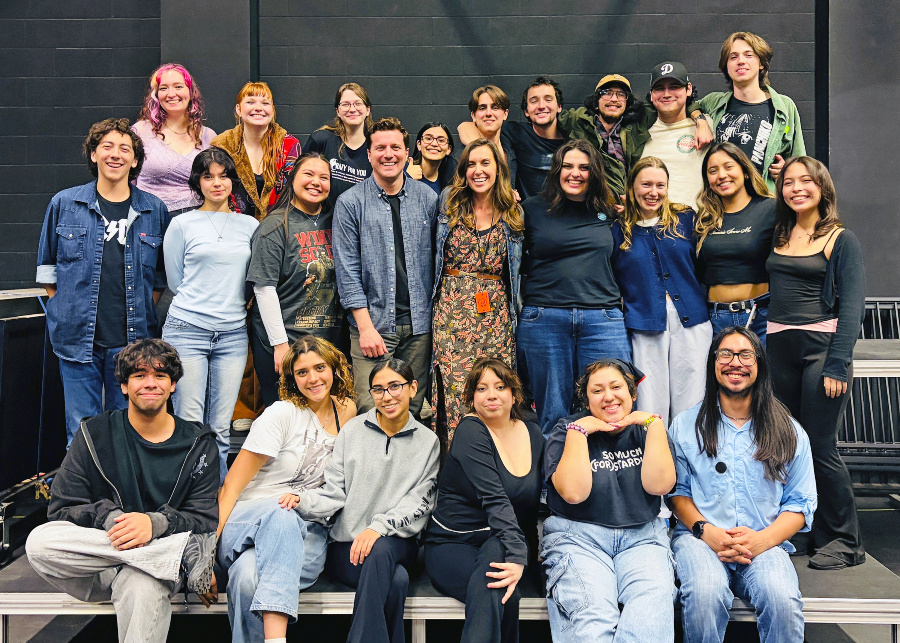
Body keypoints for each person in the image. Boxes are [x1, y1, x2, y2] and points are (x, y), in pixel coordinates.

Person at [25, 339, 219, 643]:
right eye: (140, 376)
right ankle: (170, 555)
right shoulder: (95, 433)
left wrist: (155, 524)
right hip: (98, 565)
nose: (150, 383)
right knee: (39, 542)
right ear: (124, 386)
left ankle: (161, 558)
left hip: (157, 574)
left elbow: (204, 518)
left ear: (173, 386)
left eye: (160, 376)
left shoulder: (198, 444)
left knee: (142, 584)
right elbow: (61, 509)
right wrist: (114, 519)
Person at [668, 327, 817, 642]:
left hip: (764, 541)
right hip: (701, 541)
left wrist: (761, 542)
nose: (735, 362)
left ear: (759, 365)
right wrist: (709, 533)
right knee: (704, 596)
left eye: (745, 354)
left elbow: (800, 505)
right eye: (726, 354)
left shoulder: (789, 431)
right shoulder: (684, 426)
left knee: (783, 602)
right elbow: (677, 495)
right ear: (713, 363)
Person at [36, 118, 170, 446]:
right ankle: (81, 499)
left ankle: (122, 498)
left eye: (125, 148)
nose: (116, 154)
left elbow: (160, 278)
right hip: (76, 339)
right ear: (93, 154)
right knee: (81, 433)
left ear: (135, 160)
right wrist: (62, 310)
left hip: (132, 343)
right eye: (107, 147)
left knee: (127, 432)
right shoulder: (65, 204)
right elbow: (47, 271)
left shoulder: (154, 209)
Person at [214, 336, 357, 643]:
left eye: (320, 368)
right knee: (282, 511)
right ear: (291, 378)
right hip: (250, 520)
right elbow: (230, 489)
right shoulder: (281, 414)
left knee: (246, 577)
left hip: (307, 530)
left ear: (334, 368)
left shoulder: (346, 411)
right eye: (302, 372)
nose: (313, 378)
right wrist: (206, 557)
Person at [294, 358, 440, 643]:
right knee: (396, 582)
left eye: (395, 387)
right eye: (378, 389)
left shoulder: (428, 441)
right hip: (346, 548)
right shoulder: (353, 431)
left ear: (412, 388)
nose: (387, 397)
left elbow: (421, 502)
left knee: (382, 548)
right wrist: (301, 500)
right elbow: (333, 492)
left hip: (399, 543)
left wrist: (378, 527)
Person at [766, 156, 866, 569]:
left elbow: (853, 306)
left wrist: (837, 364)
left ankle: (844, 542)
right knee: (787, 445)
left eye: (806, 181)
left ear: (822, 187)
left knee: (820, 447)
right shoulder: (779, 233)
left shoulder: (842, 239)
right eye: (789, 182)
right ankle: (805, 531)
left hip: (821, 349)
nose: (796, 188)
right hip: (778, 349)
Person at [542, 359, 676, 642]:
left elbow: (659, 485)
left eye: (616, 387)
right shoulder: (565, 430)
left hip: (643, 537)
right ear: (586, 399)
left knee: (649, 624)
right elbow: (573, 493)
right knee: (592, 627)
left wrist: (653, 426)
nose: (608, 397)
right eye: (597, 391)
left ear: (632, 394)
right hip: (578, 537)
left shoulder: (648, 429)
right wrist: (579, 432)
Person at [517, 139, 630, 438]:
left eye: (583, 167)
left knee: (611, 408)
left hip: (602, 321)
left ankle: (607, 481)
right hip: (545, 318)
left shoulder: (609, 211)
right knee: (552, 414)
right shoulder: (532, 208)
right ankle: (554, 483)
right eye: (567, 166)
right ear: (557, 170)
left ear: (594, 172)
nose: (575, 173)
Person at [425, 358, 543, 643]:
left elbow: (527, 507)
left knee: (498, 572)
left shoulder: (533, 433)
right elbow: (495, 500)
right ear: (471, 398)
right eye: (481, 388)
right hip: (453, 545)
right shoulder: (470, 430)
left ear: (514, 394)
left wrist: (530, 558)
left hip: (501, 540)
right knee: (498, 587)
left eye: (500, 386)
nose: (491, 394)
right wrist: (517, 554)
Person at [162, 148, 259, 481]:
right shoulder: (181, 224)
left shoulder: (249, 225)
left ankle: (213, 505)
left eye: (224, 175)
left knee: (219, 428)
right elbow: (175, 281)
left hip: (232, 335)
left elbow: (251, 280)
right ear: (197, 182)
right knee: (189, 424)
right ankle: (184, 502)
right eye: (208, 176)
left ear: (233, 180)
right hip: (187, 330)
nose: (217, 183)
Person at [333, 117, 439, 418]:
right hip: (373, 326)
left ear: (408, 153)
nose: (388, 154)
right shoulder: (350, 203)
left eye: (395, 147)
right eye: (380, 148)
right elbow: (347, 271)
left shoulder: (428, 199)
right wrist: (365, 328)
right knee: (371, 409)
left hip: (419, 328)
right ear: (369, 154)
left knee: (412, 410)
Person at [432, 139, 523, 442]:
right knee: (456, 390)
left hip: (495, 314)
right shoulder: (449, 201)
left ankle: (499, 464)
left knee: (495, 387)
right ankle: (457, 464)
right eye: (471, 164)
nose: (478, 170)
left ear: (498, 169)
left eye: (485, 163)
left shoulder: (514, 212)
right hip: (452, 310)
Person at [611, 157, 712, 426]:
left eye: (660, 185)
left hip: (691, 320)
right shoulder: (618, 229)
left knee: (691, 399)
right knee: (649, 401)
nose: (653, 192)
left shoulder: (686, 219)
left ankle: (688, 462)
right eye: (645, 184)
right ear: (632, 187)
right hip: (645, 322)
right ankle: (657, 463)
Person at [247, 153, 342, 407]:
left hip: (327, 345)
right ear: (292, 180)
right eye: (308, 175)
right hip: (286, 345)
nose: (316, 182)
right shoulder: (274, 226)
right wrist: (280, 345)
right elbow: (264, 289)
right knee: (286, 422)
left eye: (324, 177)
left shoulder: (338, 221)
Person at [694, 31, 806, 192]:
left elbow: (800, 161)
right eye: (733, 57)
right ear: (726, 65)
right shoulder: (713, 103)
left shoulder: (784, 107)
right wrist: (700, 120)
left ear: (761, 63)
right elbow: (686, 104)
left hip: (765, 203)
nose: (740, 61)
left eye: (748, 55)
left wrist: (787, 171)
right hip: (722, 204)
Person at [695, 142, 775, 343]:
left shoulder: (771, 209)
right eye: (713, 171)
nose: (721, 175)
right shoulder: (703, 219)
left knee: (764, 375)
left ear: (745, 171)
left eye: (729, 167)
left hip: (760, 315)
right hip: (715, 317)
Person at [460, 76, 567, 200]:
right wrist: (481, 152)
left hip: (565, 214)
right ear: (526, 110)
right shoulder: (515, 132)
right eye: (534, 101)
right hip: (529, 214)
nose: (541, 106)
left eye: (548, 99)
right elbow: (466, 127)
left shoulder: (572, 138)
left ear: (559, 106)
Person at [133, 63, 216, 215]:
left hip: (197, 220)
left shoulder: (208, 136)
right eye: (163, 88)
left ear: (191, 92)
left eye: (178, 86)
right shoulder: (141, 131)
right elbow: (127, 179)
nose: (171, 94)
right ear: (156, 95)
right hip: (150, 217)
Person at [212, 82, 301, 221]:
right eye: (250, 102)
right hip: (231, 226)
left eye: (265, 103)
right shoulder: (222, 146)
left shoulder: (289, 145)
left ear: (272, 110)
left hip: (279, 228)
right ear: (238, 109)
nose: (258, 108)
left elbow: (295, 194)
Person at [640, 61, 707, 209]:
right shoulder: (640, 132)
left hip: (696, 225)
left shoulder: (708, 126)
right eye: (659, 88)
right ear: (651, 94)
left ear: (688, 89)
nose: (666, 94)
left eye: (674, 87)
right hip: (650, 226)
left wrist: (701, 121)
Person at [305, 82, 374, 207]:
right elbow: (301, 178)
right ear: (338, 111)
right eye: (345, 104)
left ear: (367, 110)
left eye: (358, 103)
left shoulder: (375, 146)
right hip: (324, 222)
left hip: (360, 222)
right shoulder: (321, 140)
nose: (352, 109)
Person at [464, 85, 517, 186]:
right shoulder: (461, 156)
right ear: (473, 115)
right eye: (482, 108)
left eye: (495, 107)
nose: (488, 113)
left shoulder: (511, 153)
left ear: (505, 114)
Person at [405, 122, 456, 194]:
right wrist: (408, 179)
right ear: (419, 145)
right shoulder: (404, 171)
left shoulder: (450, 181)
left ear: (448, 149)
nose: (434, 144)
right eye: (428, 139)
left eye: (441, 140)